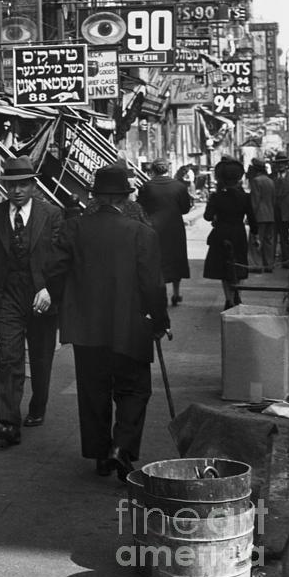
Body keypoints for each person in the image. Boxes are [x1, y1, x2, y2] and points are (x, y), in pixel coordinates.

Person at [41, 164, 169, 481]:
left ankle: (100, 454)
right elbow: (153, 285)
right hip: (130, 326)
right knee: (134, 389)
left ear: (95, 197)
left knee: (93, 390)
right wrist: (160, 321)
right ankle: (121, 447)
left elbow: (53, 270)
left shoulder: (74, 229)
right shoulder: (142, 233)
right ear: (125, 199)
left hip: (86, 327)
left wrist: (62, 303)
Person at [0, 155, 63, 446]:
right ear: (4, 186)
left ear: (33, 185)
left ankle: (38, 406)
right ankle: (9, 422)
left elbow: (63, 259)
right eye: (12, 185)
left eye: (23, 184)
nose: (17, 190)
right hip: (6, 295)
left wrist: (50, 290)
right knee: (9, 356)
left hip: (41, 296)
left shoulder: (52, 214)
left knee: (40, 357)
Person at [137, 158, 192, 306]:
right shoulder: (179, 186)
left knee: (156, 259)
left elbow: (140, 208)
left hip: (153, 227)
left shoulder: (147, 186)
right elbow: (185, 208)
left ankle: (161, 293)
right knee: (176, 257)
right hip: (174, 227)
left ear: (152, 171)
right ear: (168, 169)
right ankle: (176, 292)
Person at [203, 158, 257, 309]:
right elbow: (252, 218)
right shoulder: (245, 197)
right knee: (238, 265)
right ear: (238, 178)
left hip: (221, 233)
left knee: (223, 267)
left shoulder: (217, 196)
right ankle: (236, 293)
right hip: (238, 233)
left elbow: (207, 216)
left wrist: (214, 211)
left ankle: (228, 298)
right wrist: (256, 234)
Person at [247, 158, 275, 273]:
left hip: (259, 216)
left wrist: (250, 217)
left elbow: (255, 201)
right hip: (270, 215)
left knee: (255, 241)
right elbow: (273, 199)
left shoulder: (256, 181)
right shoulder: (270, 181)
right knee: (268, 242)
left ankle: (256, 265)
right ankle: (269, 265)